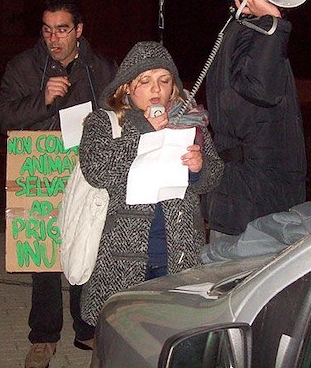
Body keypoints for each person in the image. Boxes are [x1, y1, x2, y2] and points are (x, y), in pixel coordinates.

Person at [0, 0, 117, 368]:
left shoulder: (101, 68)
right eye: (46, 30)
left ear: (79, 30)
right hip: (40, 175)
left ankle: (86, 327)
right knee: (44, 255)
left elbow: (121, 112)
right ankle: (44, 337)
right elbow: (0, 116)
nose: (53, 38)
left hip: (85, 176)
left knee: (86, 247)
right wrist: (42, 100)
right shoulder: (23, 67)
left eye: (62, 29)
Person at [78, 41, 224, 336]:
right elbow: (96, 170)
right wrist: (143, 133)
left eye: (164, 81)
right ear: (127, 87)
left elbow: (215, 175)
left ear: (174, 88)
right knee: (126, 339)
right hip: (123, 255)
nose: (156, 90)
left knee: (172, 336)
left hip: (179, 253)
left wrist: (200, 167)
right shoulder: (104, 122)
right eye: (145, 81)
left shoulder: (190, 122)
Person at [203, 0, 307, 237]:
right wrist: (273, 20)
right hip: (251, 202)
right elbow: (262, 89)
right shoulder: (254, 32)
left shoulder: (250, 33)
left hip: (246, 197)